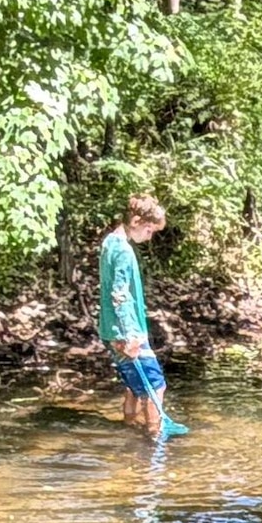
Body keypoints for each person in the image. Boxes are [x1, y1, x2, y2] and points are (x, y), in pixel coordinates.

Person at [96, 191, 173, 447]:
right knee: (155, 387)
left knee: (132, 385)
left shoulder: (109, 242)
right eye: (149, 230)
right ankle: (155, 440)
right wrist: (132, 336)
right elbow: (119, 294)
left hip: (110, 328)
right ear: (137, 221)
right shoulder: (124, 251)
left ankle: (129, 428)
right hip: (126, 331)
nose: (149, 236)